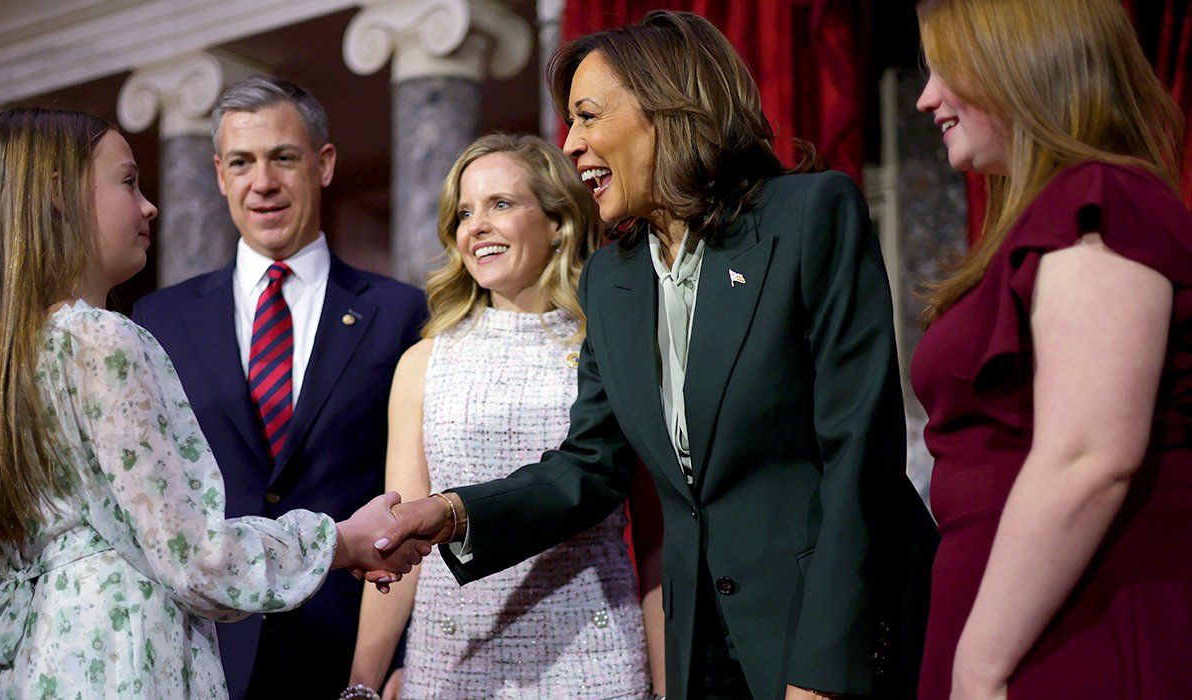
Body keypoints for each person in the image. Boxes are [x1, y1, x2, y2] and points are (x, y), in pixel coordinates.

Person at [374, 11, 937, 700]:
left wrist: (821, 673)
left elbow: (860, 454)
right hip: (703, 643)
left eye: (586, 117)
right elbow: (589, 465)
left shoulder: (808, 215)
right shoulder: (612, 281)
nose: (571, 144)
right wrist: (453, 513)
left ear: (666, 107)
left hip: (827, 631)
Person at [0, 108, 430, 699]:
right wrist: (344, 540)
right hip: (126, 657)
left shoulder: (12, 357)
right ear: (59, 196)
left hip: (48, 660)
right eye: (128, 182)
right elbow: (195, 558)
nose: (150, 206)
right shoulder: (103, 338)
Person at [909, 0, 1192, 698]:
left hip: (1078, 630)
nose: (925, 98)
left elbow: (1089, 456)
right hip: (1029, 626)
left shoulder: (1098, 200)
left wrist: (979, 667)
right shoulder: (1054, 211)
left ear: (1019, 66)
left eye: (945, 70)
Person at [130, 76, 427, 697]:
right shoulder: (160, 320)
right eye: (241, 162)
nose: (261, 182)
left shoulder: (400, 313)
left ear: (323, 164)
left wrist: (408, 654)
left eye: (282, 158)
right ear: (218, 174)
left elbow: (422, 490)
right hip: (202, 651)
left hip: (350, 654)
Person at [345, 133, 665, 699]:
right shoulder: (424, 361)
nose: (477, 226)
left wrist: (667, 686)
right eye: (465, 212)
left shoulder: (612, 343)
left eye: (500, 204)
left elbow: (657, 536)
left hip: (594, 663)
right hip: (451, 662)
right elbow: (400, 542)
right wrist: (362, 686)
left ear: (558, 222)